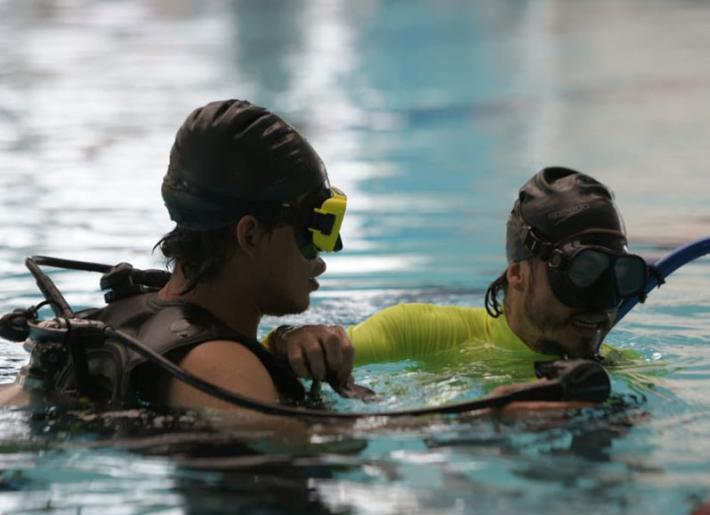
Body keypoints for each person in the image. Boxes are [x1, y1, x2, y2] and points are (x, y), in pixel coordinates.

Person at [0, 98, 352, 412]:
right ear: (251, 234)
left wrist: (279, 344)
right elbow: (337, 450)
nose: (324, 251)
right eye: (313, 229)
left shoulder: (112, 320)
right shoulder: (226, 370)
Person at [269, 167, 649, 392]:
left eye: (618, 276)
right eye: (583, 273)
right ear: (517, 273)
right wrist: (290, 339)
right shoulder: (422, 332)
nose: (601, 303)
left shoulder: (627, 373)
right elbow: (262, 361)